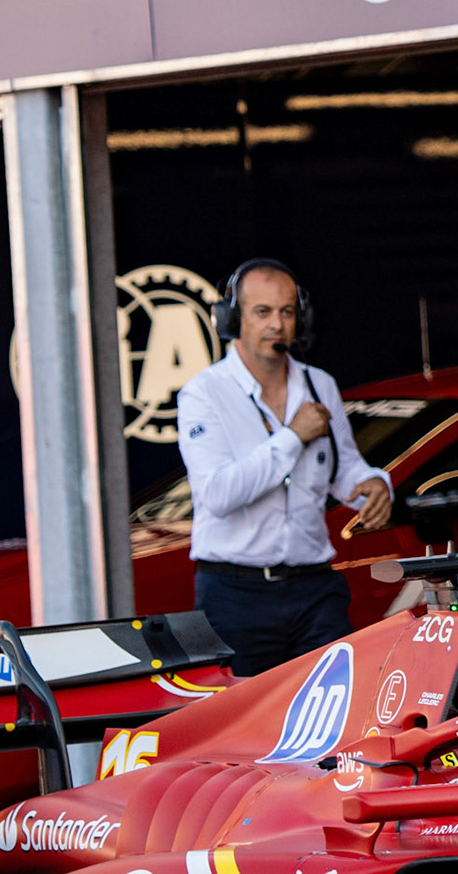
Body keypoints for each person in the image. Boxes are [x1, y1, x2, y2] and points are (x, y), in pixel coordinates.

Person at [175, 258, 393, 677]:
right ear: (233, 318)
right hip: (236, 593)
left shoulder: (320, 384)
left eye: (287, 312)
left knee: (334, 719)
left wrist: (373, 484)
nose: (277, 323)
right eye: (262, 312)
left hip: (315, 588)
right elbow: (217, 495)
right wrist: (292, 436)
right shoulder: (203, 394)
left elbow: (343, 468)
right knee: (243, 733)